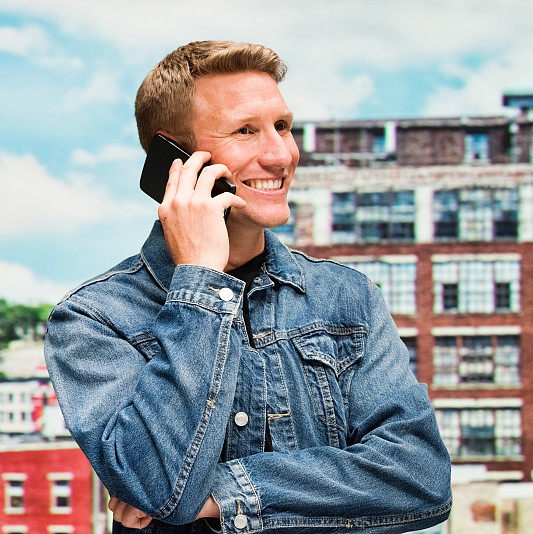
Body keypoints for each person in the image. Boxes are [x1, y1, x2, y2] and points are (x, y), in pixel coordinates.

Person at [44, 41, 452, 533]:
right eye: (246, 131)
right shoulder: (93, 319)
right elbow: (154, 486)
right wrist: (200, 281)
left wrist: (219, 492)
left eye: (283, 126)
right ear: (173, 158)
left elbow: (420, 477)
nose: (282, 155)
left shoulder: (349, 298)